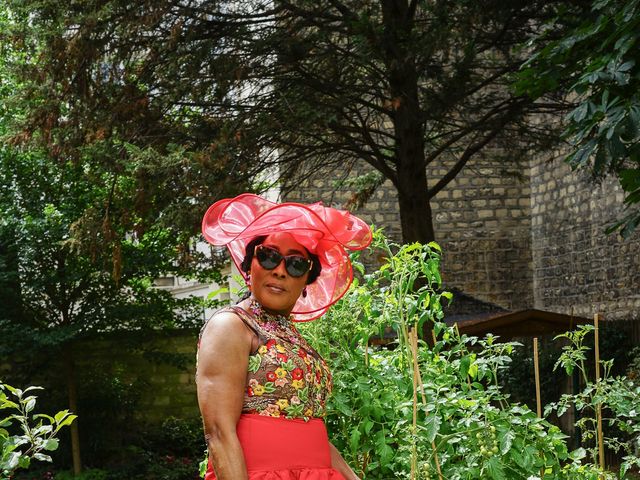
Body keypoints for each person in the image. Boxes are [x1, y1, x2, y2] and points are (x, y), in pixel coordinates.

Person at [197, 193, 372, 480]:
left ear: (307, 280)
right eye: (268, 257)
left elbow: (310, 431)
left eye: (295, 265)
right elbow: (218, 433)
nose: (280, 271)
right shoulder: (232, 326)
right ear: (248, 265)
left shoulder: (296, 338)